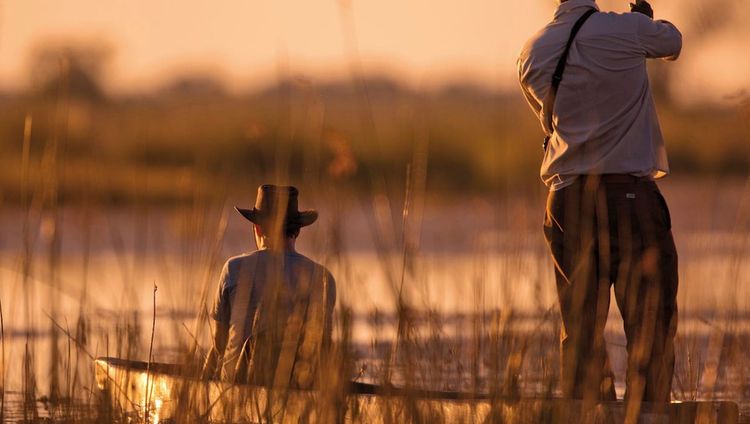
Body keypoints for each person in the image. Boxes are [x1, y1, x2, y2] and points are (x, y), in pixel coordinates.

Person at [517, 0, 681, 416]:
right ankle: (648, 414)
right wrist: (642, 20)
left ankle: (587, 412)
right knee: (649, 324)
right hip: (630, 199)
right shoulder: (627, 29)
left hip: (567, 201)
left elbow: (548, 120)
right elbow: (673, 41)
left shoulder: (531, 52)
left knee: (581, 327)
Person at [202, 185, 336, 389]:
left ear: (258, 228)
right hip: (300, 386)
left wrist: (202, 381)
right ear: (298, 230)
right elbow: (323, 348)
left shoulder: (234, 268)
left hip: (240, 385)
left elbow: (220, 344)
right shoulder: (324, 278)